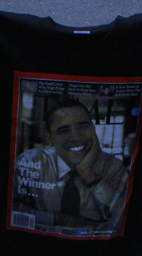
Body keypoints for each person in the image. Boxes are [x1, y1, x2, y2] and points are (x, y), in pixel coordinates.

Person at [12, 97, 129, 235]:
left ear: (93, 128)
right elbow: (8, 210)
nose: (75, 137)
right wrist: (57, 219)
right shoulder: (30, 162)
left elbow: (125, 222)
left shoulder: (113, 167)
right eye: (63, 130)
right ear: (49, 137)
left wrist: (88, 174)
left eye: (83, 126)